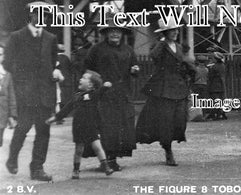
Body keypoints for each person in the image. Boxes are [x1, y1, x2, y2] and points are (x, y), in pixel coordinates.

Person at [4, 1, 63, 181]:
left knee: (43, 132)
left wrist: (53, 73)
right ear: (30, 15)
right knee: (22, 128)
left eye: (45, 15)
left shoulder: (51, 38)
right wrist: (22, 81)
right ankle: (12, 159)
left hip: (45, 94)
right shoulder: (16, 37)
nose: (41, 18)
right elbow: (7, 63)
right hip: (24, 94)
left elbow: (53, 63)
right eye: (38, 14)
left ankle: (37, 168)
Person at [136, 19, 195, 166]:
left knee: (180, 120)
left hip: (179, 87)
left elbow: (183, 63)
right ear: (165, 32)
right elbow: (154, 57)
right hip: (164, 88)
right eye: (172, 30)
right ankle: (168, 150)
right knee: (166, 121)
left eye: (176, 30)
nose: (175, 32)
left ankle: (169, 143)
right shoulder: (160, 46)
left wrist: (189, 72)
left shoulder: (179, 47)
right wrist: (162, 41)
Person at [84, 18, 139, 171]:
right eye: (112, 30)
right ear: (106, 33)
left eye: (118, 30)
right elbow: (87, 68)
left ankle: (112, 159)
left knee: (121, 127)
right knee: (106, 127)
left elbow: (135, 68)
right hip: (104, 94)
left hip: (122, 93)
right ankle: (105, 160)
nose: (115, 33)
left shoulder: (128, 50)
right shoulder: (97, 49)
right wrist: (96, 83)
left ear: (122, 33)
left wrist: (135, 70)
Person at [46, 70, 114, 179]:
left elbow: (100, 91)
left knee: (97, 146)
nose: (80, 79)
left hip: (91, 126)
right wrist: (55, 118)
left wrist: (105, 86)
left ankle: (106, 166)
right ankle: (76, 170)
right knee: (79, 150)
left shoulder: (93, 95)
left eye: (84, 78)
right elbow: (66, 109)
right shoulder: (76, 96)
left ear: (91, 85)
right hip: (78, 127)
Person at [0, 44, 17, 147]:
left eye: (0, 54)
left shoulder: (7, 75)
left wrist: (12, 115)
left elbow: (12, 97)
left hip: (2, 116)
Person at [206, 52, 227, 120]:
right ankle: (220, 114)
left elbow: (210, 77)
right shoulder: (223, 66)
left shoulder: (214, 67)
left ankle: (215, 114)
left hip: (214, 86)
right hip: (221, 86)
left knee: (215, 100)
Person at [192, 55, 209, 120]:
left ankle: (197, 115)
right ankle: (203, 115)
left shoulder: (195, 69)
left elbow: (193, 78)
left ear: (198, 61)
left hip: (197, 85)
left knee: (196, 100)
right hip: (204, 85)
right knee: (203, 100)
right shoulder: (206, 69)